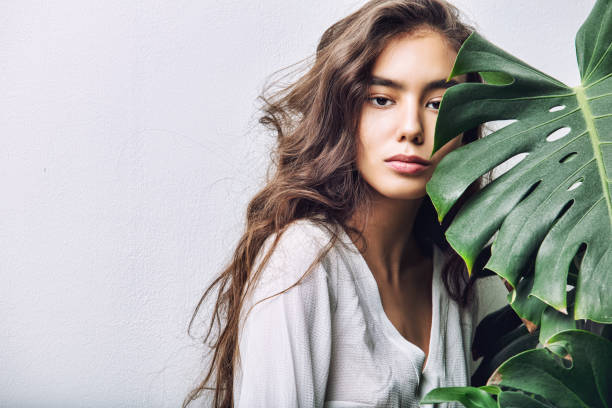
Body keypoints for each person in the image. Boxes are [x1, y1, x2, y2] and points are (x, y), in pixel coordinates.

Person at [184, 0, 509, 407]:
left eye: (438, 104)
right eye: (381, 99)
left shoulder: (450, 274)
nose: (411, 128)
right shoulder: (303, 262)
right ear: (342, 111)